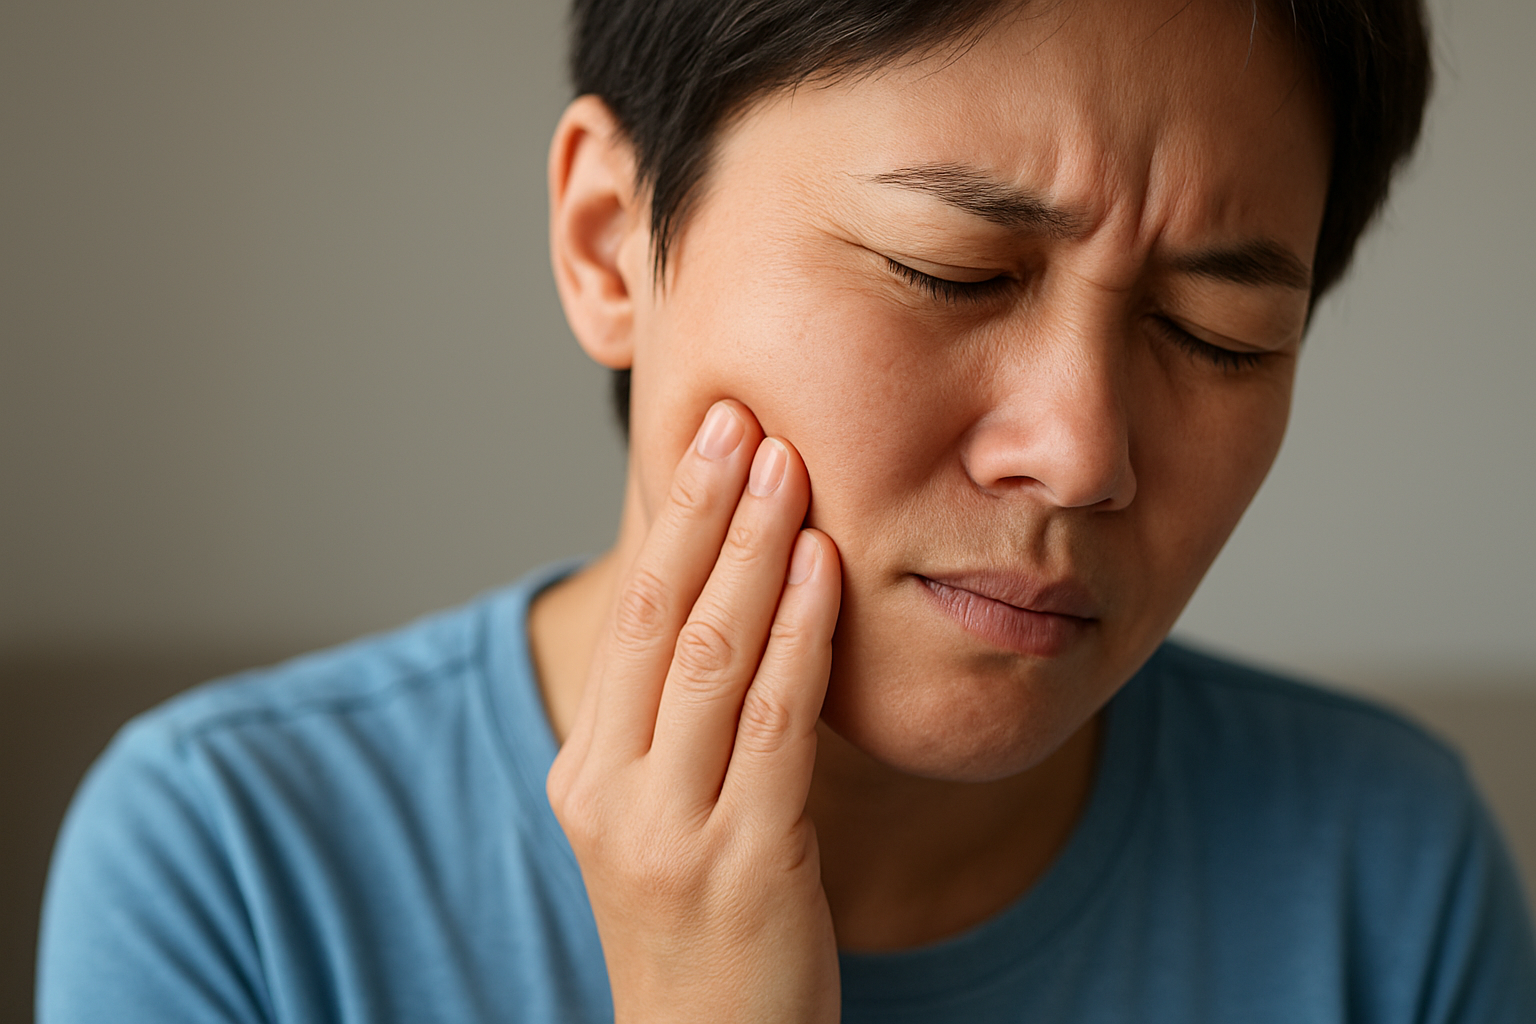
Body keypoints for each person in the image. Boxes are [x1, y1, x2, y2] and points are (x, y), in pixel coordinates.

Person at [36, 0, 1536, 1021]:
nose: (1080, 454)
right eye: (954, 270)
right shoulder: (236, 871)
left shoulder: (1383, 888)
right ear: (612, 244)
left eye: (1221, 337)